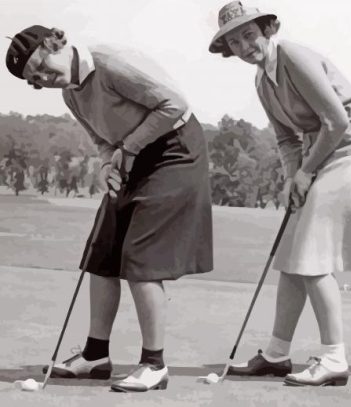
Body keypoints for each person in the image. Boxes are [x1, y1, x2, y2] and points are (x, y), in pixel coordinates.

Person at [5, 25, 213, 392]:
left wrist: (129, 148)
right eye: (34, 79)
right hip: (131, 156)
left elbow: (175, 104)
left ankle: (154, 364)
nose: (43, 78)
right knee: (102, 254)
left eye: (41, 65)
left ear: (58, 43)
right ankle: (95, 356)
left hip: (174, 151)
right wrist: (107, 166)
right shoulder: (71, 95)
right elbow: (102, 140)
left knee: (141, 256)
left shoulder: (110, 64)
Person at [209, 2, 351, 387]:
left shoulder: (292, 56)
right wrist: (292, 178)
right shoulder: (262, 80)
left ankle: (334, 359)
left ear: (267, 30)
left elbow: (337, 120)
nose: (245, 46)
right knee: (292, 253)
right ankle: (277, 355)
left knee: (311, 257)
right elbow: (285, 139)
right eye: (235, 42)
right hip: (321, 155)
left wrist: (306, 173)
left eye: (249, 35)